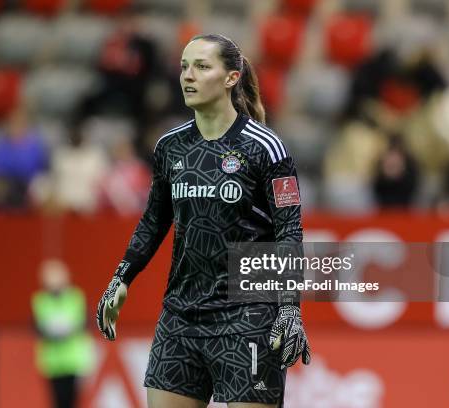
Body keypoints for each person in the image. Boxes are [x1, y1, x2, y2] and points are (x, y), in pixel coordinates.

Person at [96, 34, 310, 407]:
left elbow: (288, 230)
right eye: (183, 67)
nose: (187, 76)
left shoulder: (265, 147)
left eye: (201, 66)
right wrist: (122, 276)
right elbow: (153, 222)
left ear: (231, 78)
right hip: (181, 315)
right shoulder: (170, 147)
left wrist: (290, 307)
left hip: (250, 318)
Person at [32, 259, 95, 408]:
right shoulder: (40, 300)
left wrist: (67, 329)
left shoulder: (76, 297)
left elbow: (83, 322)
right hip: (52, 362)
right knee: (58, 401)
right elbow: (38, 328)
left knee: (72, 401)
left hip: (74, 361)